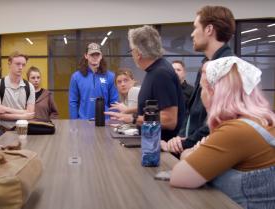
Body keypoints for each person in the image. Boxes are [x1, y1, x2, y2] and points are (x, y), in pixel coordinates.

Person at [170, 56, 275, 209]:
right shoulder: (261, 121)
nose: (201, 95)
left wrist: (191, 151)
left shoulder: (237, 131)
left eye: (203, 88)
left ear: (214, 92)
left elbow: (179, 177)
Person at [162, 5, 235, 153]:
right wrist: (181, 137)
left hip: (204, 152)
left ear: (208, 29)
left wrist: (184, 144)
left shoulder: (227, 67)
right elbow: (193, 112)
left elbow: (217, 122)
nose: (192, 34)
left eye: (195, 28)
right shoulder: (207, 64)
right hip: (192, 147)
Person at [105, 25, 185, 141]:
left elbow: (169, 120)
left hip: (159, 148)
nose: (132, 54)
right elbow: (152, 109)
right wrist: (129, 113)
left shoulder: (161, 74)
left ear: (138, 53)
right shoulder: (154, 70)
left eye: (131, 50)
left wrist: (133, 118)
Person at [69, 42, 118, 119]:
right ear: (86, 56)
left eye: (97, 54)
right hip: (83, 123)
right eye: (92, 55)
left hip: (105, 122)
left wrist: (114, 120)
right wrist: (74, 123)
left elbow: (114, 102)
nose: (95, 57)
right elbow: (73, 102)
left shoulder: (110, 76)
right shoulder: (76, 77)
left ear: (101, 56)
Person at [0, 51, 35, 135]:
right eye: (17, 64)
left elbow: (30, 113)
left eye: (23, 64)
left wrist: (5, 109)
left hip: (23, 131)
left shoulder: (29, 87)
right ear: (9, 63)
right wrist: (23, 115)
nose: (21, 67)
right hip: (4, 131)